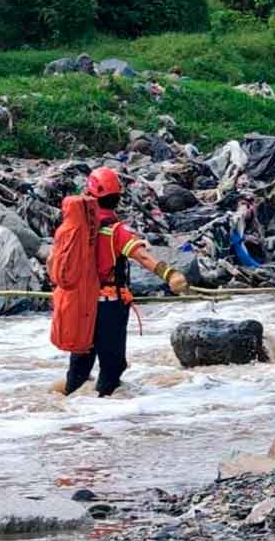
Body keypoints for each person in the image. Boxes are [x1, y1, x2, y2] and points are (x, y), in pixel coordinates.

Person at [61, 167, 190, 397]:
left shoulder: (74, 229)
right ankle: (106, 416)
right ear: (117, 198)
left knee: (81, 360)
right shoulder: (115, 231)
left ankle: (71, 412)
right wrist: (170, 274)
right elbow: (142, 256)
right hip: (109, 306)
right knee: (112, 365)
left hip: (81, 304)